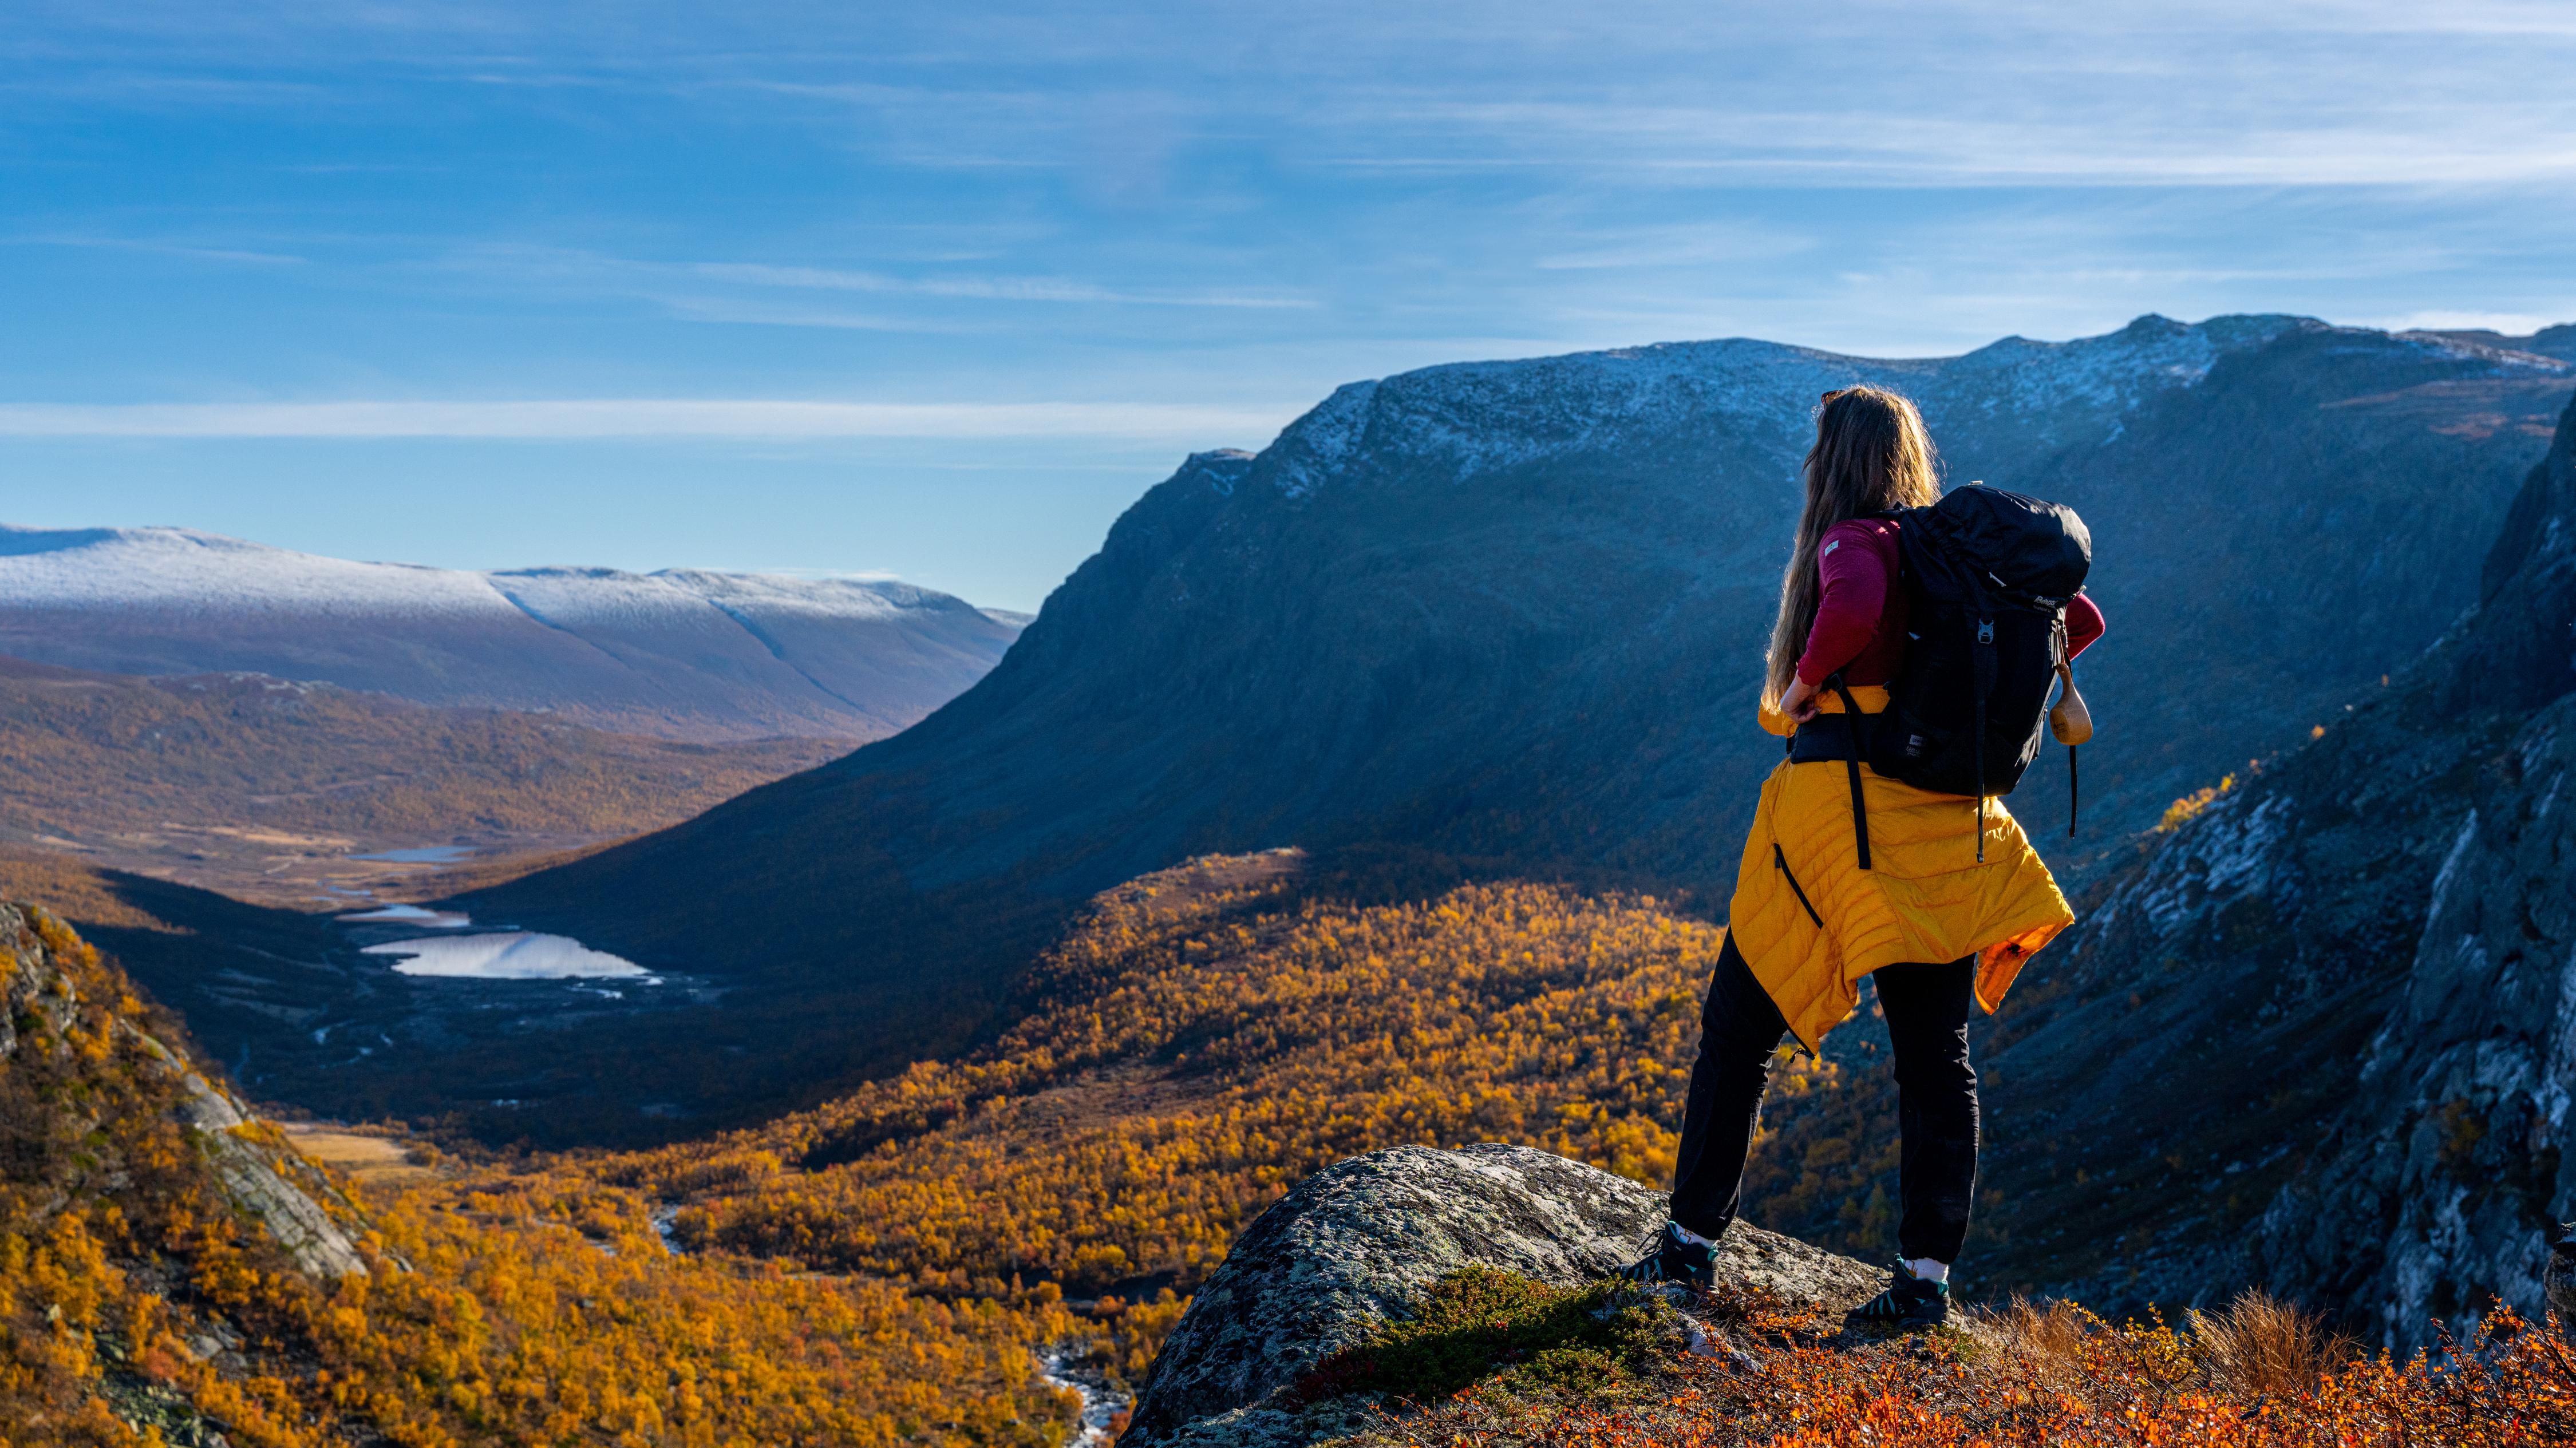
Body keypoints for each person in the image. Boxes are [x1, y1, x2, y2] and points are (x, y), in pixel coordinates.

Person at [1616, 385, 2104, 1326]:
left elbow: (1852, 609)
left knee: (1738, 1035)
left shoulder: (1858, 544)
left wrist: (1803, 686)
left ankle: (1687, 1251)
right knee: (1935, 1057)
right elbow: (2079, 622)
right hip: (1950, 836)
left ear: (1831, 464)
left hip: (1841, 837)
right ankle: (1925, 1281)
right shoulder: (1959, 555)